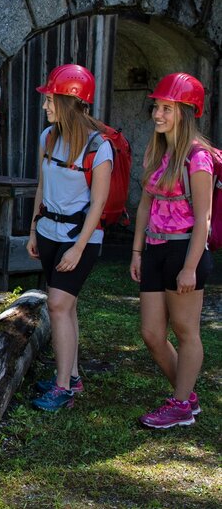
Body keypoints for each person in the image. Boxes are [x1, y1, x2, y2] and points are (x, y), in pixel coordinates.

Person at [27, 64, 114, 412]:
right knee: (68, 306)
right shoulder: (48, 137)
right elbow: (42, 186)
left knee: (58, 305)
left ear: (70, 101)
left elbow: (100, 204)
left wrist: (79, 248)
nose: (46, 106)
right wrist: (34, 228)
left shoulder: (99, 148)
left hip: (81, 239)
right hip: (48, 231)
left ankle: (62, 387)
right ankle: (72, 376)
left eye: (51, 100)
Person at [129, 72, 213, 429]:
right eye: (157, 107)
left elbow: (204, 218)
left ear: (186, 112)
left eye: (167, 108)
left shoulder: (198, 158)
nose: (158, 114)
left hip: (184, 253)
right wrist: (136, 251)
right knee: (151, 333)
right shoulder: (157, 149)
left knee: (185, 330)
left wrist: (190, 267)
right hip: (153, 249)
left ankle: (179, 403)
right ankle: (186, 396)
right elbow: (146, 205)